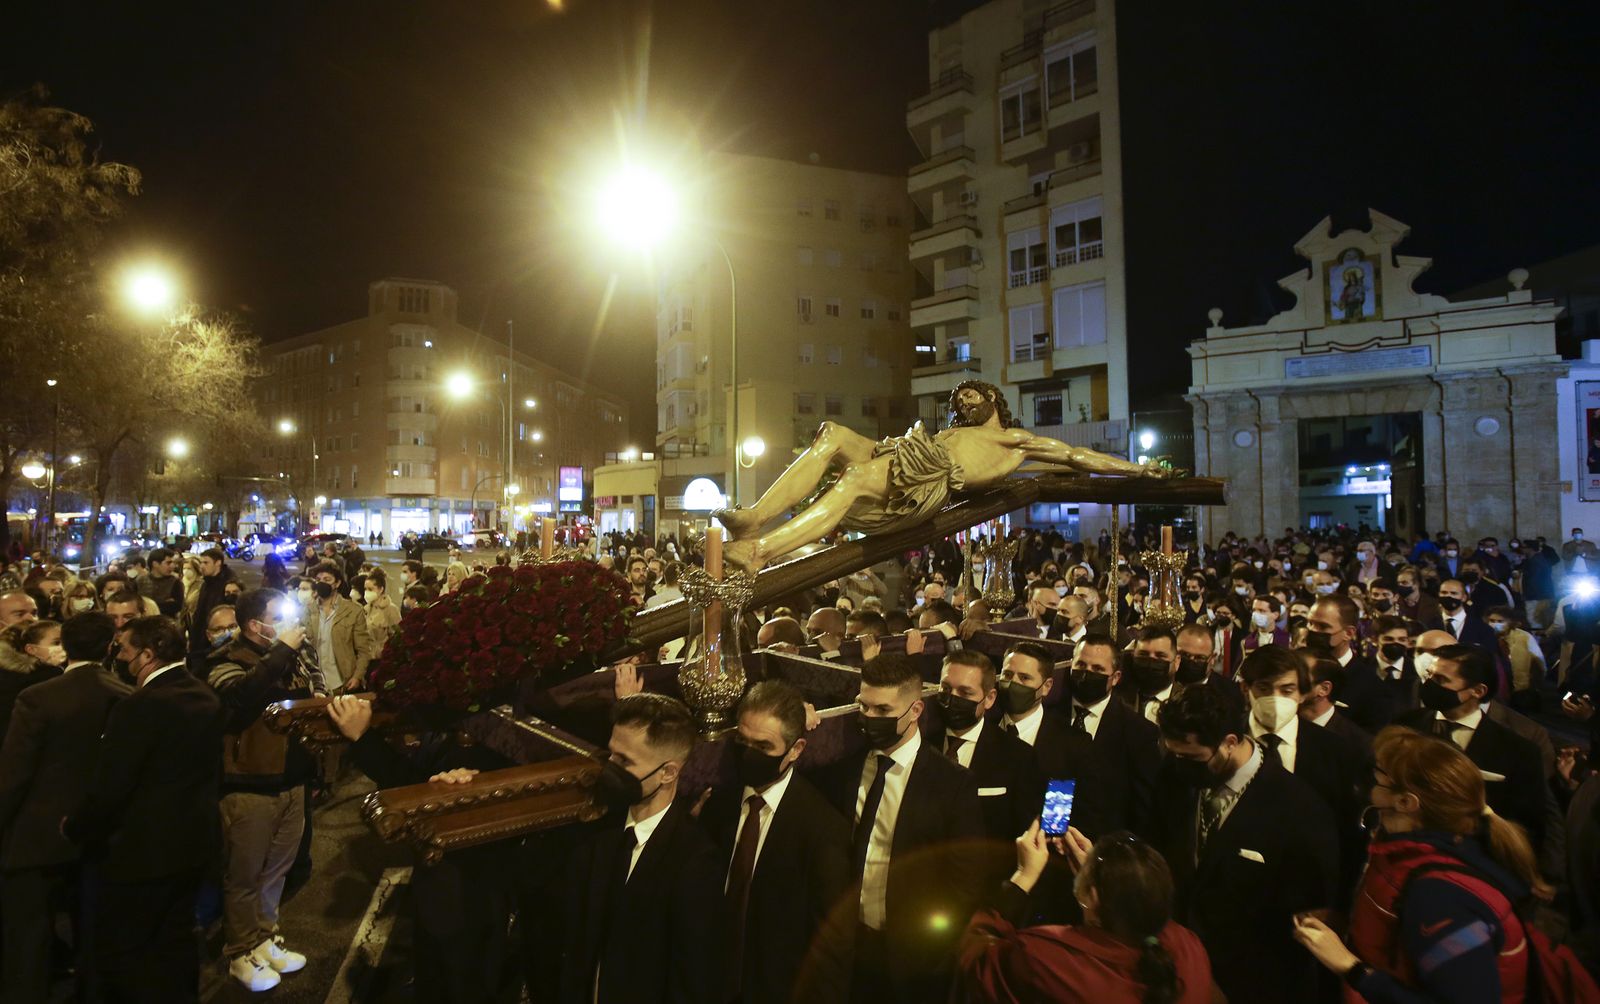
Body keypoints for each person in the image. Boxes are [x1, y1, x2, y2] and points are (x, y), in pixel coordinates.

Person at [715, 381, 1172, 570]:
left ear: (992, 397)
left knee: (852, 481)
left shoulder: (1014, 441)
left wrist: (1138, 468)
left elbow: (1077, 456)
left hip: (928, 478)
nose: (964, 404)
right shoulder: (954, 432)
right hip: (909, 455)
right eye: (959, 402)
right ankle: (756, 517)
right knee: (832, 433)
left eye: (971, 396)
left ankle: (762, 550)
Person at [1293, 727, 1567, 1002]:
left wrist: (1351, 967)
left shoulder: (1440, 896)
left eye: (1377, 778)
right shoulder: (1412, 851)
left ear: (1405, 802)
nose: (1368, 786)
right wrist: (1345, 928)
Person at [63, 615, 223, 1004]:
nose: (118, 656)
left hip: (143, 853)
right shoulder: (204, 696)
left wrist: (76, 827)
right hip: (194, 843)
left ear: (147, 655)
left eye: (124, 650)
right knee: (176, 940)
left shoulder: (140, 707)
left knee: (130, 951)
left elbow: (112, 787)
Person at [811, 652, 985, 1003]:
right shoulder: (844, 768)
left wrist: (934, 946)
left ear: (915, 711)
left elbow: (965, 880)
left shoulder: (952, 784)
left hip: (913, 958)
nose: (869, 718)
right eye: (864, 706)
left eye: (883, 711)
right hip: (847, 947)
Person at [1149, 683, 1338, 1003]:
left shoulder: (1297, 809)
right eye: (1175, 753)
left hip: (1251, 983)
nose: (1181, 763)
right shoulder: (1178, 773)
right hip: (1180, 968)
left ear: (1230, 742)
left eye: (1192, 757)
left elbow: (1304, 919)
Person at [556, 693, 723, 1004]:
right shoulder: (595, 833)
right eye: (612, 755)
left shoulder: (695, 862)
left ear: (668, 772)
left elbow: (692, 982)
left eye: (625, 762)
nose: (611, 768)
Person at [0, 612, 129, 1004]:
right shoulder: (126, 696)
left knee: (27, 941)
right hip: (97, 833)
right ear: (110, 648)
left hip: (35, 836)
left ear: (65, 648)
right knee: (91, 932)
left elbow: (14, 773)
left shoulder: (39, 697)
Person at [700, 681, 851, 1003]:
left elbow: (829, 945)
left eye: (764, 747)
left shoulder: (822, 828)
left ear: (795, 750)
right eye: (742, 741)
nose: (749, 753)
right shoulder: (717, 804)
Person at [959, 822, 1215, 1004]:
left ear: (1091, 897)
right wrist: (1101, 881)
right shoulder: (1189, 948)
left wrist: (1023, 876)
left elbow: (979, 960)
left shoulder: (1049, 958)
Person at [206, 589, 321, 992]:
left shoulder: (292, 658)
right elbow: (239, 701)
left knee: (275, 871)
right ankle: (239, 951)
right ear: (256, 625)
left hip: (291, 782)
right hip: (249, 784)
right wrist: (281, 653)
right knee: (244, 875)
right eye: (279, 616)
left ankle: (264, 937)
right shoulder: (226, 660)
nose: (290, 622)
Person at [1393, 644, 1547, 858]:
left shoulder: (1518, 750)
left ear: (1478, 691)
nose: (1429, 685)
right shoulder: (1405, 727)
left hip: (1478, 860)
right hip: (1407, 852)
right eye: (1430, 675)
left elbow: (1530, 823)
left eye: (1442, 680)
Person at [926, 650, 1038, 876]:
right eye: (946, 689)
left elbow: (1022, 836)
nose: (952, 698)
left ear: (989, 699)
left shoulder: (1018, 756)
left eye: (965, 693)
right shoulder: (923, 746)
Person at [1063, 634, 1161, 836]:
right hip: (1052, 843)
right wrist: (1054, 830)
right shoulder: (1051, 716)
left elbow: (1141, 809)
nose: (1086, 673)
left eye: (1097, 669)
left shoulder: (1139, 732)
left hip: (1106, 847)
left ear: (1115, 678)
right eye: (1081, 665)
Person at [303, 560, 374, 692]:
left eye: (327, 579)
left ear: (337, 583)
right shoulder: (307, 610)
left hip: (341, 684)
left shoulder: (353, 611)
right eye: (318, 579)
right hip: (314, 686)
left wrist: (357, 676)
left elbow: (364, 649)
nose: (321, 583)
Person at [0, 619, 65, 746]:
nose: (63, 647)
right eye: (56, 642)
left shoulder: (6, 675)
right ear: (31, 649)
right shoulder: (50, 677)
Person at [362, 568, 401, 655]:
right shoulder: (366, 609)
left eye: (370, 589)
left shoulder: (391, 609)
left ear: (381, 589)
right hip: (366, 656)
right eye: (365, 589)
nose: (366, 592)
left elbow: (397, 636)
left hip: (381, 657)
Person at [140, 548, 184, 617]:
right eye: (168, 563)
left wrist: (148, 606)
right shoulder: (140, 581)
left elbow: (177, 606)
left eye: (173, 563)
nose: (172, 566)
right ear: (155, 564)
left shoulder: (175, 582)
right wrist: (163, 603)